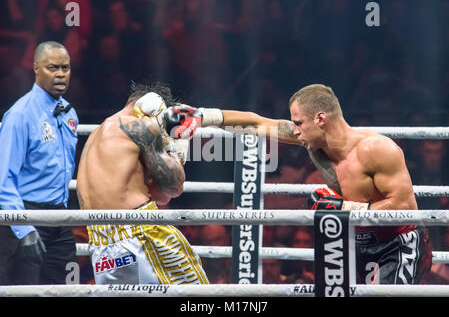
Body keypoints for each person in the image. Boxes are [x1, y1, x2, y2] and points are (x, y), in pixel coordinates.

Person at [197, 83, 432, 285]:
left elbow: (403, 207)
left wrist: (344, 209)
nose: (295, 131)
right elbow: (257, 123)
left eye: (298, 123)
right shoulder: (313, 142)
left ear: (320, 119)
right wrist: (204, 117)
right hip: (357, 243)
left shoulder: (377, 149)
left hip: (398, 243)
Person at [76, 82, 209, 285]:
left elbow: (160, 195)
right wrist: (171, 142)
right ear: (155, 108)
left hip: (101, 246)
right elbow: (175, 186)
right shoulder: (141, 127)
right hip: (142, 233)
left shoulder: (96, 136)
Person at [0, 41, 78, 285]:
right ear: (36, 68)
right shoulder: (19, 116)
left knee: (65, 288)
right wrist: (23, 228)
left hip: (59, 217)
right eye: (52, 67)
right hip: (25, 214)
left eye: (65, 68)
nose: (60, 74)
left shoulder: (69, 113)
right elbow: (4, 180)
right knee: (23, 288)